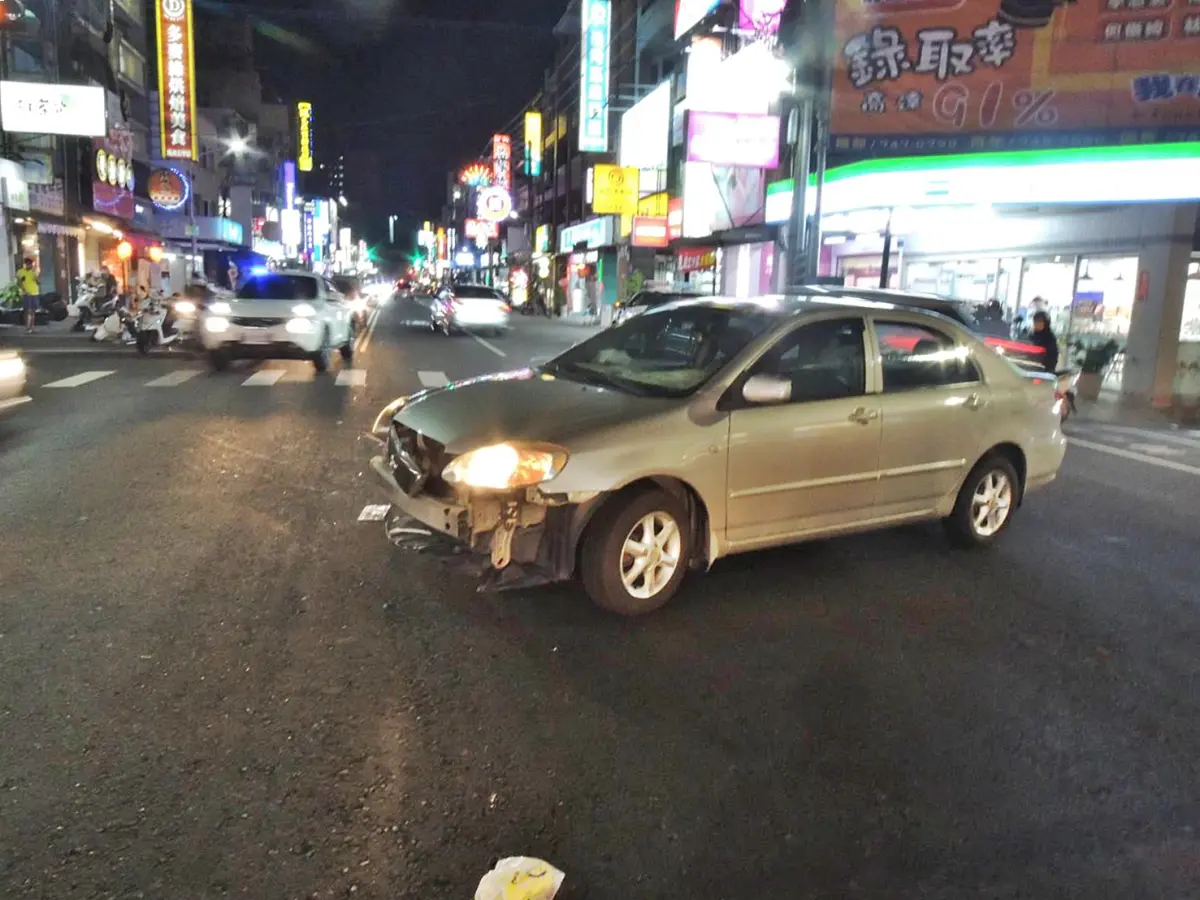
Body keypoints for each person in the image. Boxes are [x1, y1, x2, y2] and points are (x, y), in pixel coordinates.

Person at [17, 257, 39, 333]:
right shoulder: (20, 272)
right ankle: (27, 326)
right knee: (27, 310)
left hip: (34, 292)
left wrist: (35, 274)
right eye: (28, 264)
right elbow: (19, 282)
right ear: (25, 264)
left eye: (30, 264)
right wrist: (24, 290)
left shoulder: (34, 271)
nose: (29, 265)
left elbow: (37, 281)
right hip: (26, 293)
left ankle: (32, 327)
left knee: (33, 311)